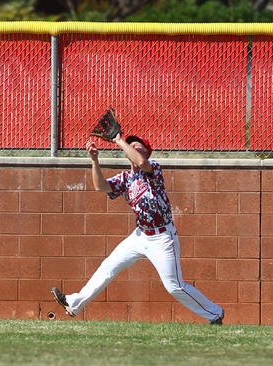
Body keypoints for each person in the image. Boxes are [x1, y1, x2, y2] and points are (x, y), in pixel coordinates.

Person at [51, 133, 225, 325]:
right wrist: (94, 160)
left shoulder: (153, 169)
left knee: (174, 286)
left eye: (139, 145)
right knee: (108, 267)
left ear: (147, 152)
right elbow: (101, 187)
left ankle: (214, 313)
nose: (134, 146)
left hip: (162, 237)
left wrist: (119, 141)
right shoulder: (125, 179)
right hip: (140, 235)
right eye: (131, 144)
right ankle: (74, 303)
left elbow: (141, 161)